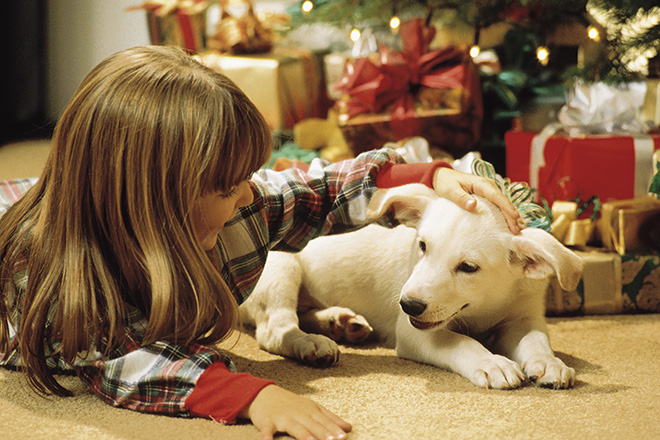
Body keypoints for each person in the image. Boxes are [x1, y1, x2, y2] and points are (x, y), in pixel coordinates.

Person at [0, 46, 523, 440]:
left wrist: (431, 177)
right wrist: (251, 394)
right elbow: (129, 366)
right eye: (227, 185)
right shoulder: (59, 278)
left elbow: (316, 192)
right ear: (156, 204)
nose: (248, 191)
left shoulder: (237, 211)